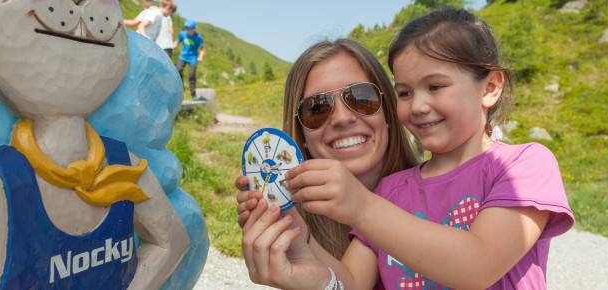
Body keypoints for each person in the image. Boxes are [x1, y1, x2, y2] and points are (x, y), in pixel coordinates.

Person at [239, 8, 574, 289]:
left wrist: (360, 207)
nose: (418, 106)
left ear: (490, 87)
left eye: (435, 86)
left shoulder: (524, 165)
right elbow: (351, 283)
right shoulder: (388, 192)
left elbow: (478, 266)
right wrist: (297, 234)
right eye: (405, 93)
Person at [235, 38, 419, 262]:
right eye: (317, 108)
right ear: (301, 134)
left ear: (387, 110)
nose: (342, 118)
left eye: (361, 98)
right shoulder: (294, 232)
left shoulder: (442, 195)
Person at [173, 19, 206, 99]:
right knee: (178, 70)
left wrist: (200, 56)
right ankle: (181, 90)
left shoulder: (198, 37)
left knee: (191, 74)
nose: (188, 30)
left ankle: (193, 95)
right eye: (186, 28)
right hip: (183, 56)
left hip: (193, 57)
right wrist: (172, 47)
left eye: (190, 29)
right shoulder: (182, 34)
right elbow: (177, 42)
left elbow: (202, 48)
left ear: (194, 29)